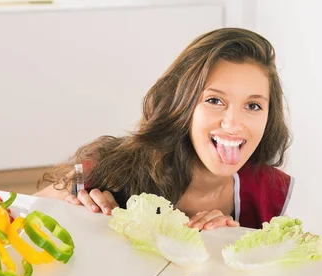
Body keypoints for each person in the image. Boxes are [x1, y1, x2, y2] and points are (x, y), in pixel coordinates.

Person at [36, 28, 294, 231]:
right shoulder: (105, 173)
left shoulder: (267, 191)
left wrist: (224, 244)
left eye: (253, 105)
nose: (234, 123)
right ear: (182, 103)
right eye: (214, 100)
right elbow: (11, 214)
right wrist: (72, 215)